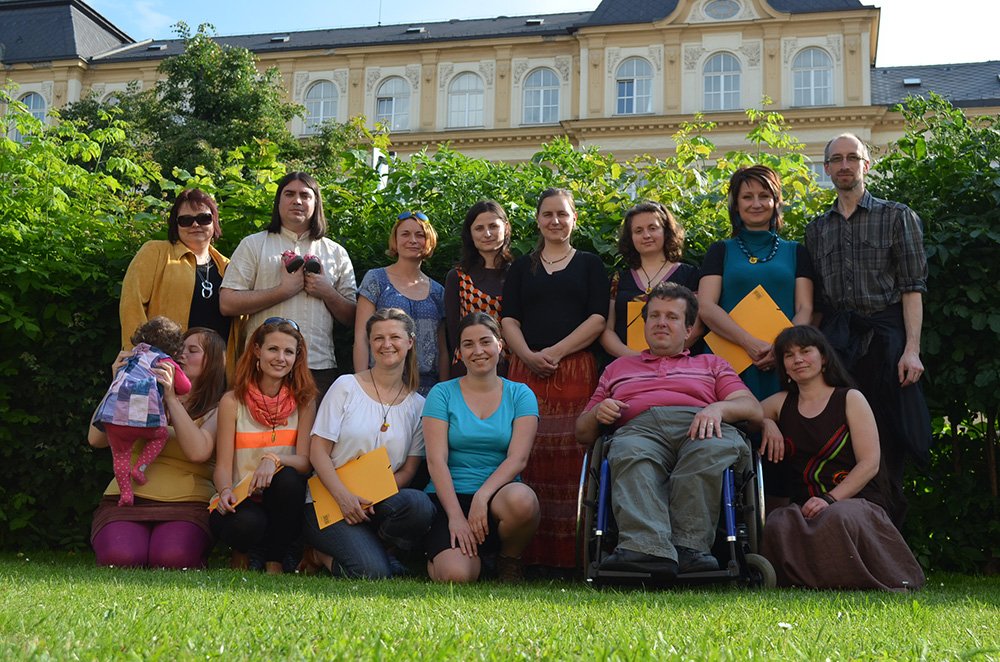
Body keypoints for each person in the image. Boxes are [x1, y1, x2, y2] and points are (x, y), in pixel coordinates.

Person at [576, 282, 761, 578]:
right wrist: (598, 413)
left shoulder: (711, 364)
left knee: (709, 451)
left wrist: (718, 408)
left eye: (672, 317)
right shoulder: (617, 368)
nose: (661, 322)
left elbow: (752, 408)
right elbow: (583, 432)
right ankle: (646, 548)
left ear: (688, 330)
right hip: (640, 430)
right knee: (631, 452)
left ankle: (689, 549)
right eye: (655, 316)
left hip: (701, 425)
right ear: (645, 324)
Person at [805, 133, 931, 526]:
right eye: (837, 159)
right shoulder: (816, 229)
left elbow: (912, 287)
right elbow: (819, 304)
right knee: (842, 438)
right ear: (827, 168)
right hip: (839, 344)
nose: (845, 165)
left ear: (866, 164)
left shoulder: (897, 216)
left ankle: (889, 531)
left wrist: (912, 349)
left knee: (890, 439)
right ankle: (851, 527)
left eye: (852, 158)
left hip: (886, 339)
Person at [758, 325, 925, 590]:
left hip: (856, 501)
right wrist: (766, 422)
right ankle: (811, 583)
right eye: (789, 355)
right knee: (778, 522)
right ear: (784, 368)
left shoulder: (850, 398)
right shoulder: (780, 403)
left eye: (805, 351)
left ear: (824, 358)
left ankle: (854, 581)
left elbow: (869, 463)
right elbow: (746, 413)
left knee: (837, 516)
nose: (798, 359)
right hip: (805, 505)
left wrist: (829, 499)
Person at [501, 187, 609, 572]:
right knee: (527, 455)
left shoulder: (591, 265)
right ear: (537, 220)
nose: (555, 221)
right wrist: (528, 356)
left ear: (574, 219)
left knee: (572, 457)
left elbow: (598, 319)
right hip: (525, 372)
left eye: (562, 214)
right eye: (547, 214)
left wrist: (557, 352)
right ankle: (522, 557)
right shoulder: (521, 267)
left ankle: (571, 558)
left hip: (576, 370)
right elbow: (508, 319)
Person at [303, 309, 434, 578]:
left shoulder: (418, 406)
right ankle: (317, 554)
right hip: (329, 500)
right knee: (371, 573)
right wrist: (345, 497)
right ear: (370, 343)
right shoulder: (346, 387)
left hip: (378, 502)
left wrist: (372, 495)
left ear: (410, 342)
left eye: (394, 337)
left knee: (419, 505)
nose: (386, 344)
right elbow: (317, 452)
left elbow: (409, 470)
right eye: (378, 338)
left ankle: (379, 549)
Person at [89, 327, 227, 569]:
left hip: (187, 503)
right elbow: (95, 439)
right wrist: (118, 385)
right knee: (120, 557)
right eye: (180, 349)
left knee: (173, 558)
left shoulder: (219, 406)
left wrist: (172, 398)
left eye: (193, 350)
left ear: (214, 362)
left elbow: (198, 452)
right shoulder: (141, 390)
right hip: (126, 500)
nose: (182, 354)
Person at [423, 312, 540, 583]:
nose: (478, 351)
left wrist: (482, 496)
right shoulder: (442, 394)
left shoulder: (521, 394)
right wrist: (455, 516)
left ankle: (508, 560)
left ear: (500, 345)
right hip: (449, 498)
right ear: (459, 353)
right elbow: (436, 461)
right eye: (468, 344)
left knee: (523, 500)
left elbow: (518, 459)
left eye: (485, 342)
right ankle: (442, 555)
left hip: (499, 499)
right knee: (456, 576)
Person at [220, 172, 357, 398]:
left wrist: (327, 292)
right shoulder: (253, 244)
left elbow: (353, 317)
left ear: (316, 203)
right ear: (278, 201)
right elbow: (227, 303)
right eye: (289, 194)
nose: (297, 201)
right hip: (261, 365)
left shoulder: (336, 253)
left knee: (313, 424)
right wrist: (282, 291)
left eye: (305, 195)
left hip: (317, 366)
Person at [210, 318, 317, 574]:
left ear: (297, 357)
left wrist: (273, 459)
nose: (280, 358)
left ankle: (275, 560)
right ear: (257, 351)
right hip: (242, 497)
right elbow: (222, 466)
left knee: (290, 479)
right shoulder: (232, 401)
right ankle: (242, 551)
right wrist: (225, 491)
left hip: (281, 498)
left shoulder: (305, 401)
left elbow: (305, 462)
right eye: (273, 349)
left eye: (288, 351)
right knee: (247, 523)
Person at [698, 165, 814, 400]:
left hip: (783, 359)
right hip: (728, 360)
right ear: (736, 204)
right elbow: (706, 306)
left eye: (764, 196)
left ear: (776, 201)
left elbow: (805, 308)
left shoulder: (796, 251)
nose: (756, 204)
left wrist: (781, 348)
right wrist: (748, 342)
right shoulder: (720, 251)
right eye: (747, 197)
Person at [119, 188, 237, 373]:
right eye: (186, 220)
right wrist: (140, 359)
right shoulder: (155, 252)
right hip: (163, 366)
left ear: (214, 221)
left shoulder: (228, 267)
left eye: (204, 218)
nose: (195, 224)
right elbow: (131, 304)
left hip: (216, 373)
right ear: (176, 225)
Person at [93, 316, 191, 506]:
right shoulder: (164, 360)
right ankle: (140, 468)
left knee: (120, 455)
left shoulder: (131, 355)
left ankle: (126, 494)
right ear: (174, 347)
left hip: (113, 417)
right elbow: (185, 387)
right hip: (143, 418)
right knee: (160, 435)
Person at [354, 211, 446, 396]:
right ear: (395, 240)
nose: (412, 240)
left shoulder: (438, 291)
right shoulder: (376, 280)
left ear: (429, 241)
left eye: (420, 235)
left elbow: (443, 349)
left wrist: (444, 393)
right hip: (382, 384)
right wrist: (362, 387)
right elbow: (361, 337)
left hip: (428, 389)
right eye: (405, 234)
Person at [601, 201, 701, 358]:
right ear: (630, 237)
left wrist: (657, 357)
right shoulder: (618, 280)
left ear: (666, 231)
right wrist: (635, 358)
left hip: (676, 366)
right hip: (625, 365)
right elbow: (607, 330)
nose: (646, 235)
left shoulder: (691, 276)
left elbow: (697, 326)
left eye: (653, 228)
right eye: (638, 231)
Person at [444, 200, 513, 378]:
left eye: (493, 226)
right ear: (470, 233)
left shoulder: (518, 273)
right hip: (467, 368)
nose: (487, 234)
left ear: (506, 228)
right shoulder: (458, 277)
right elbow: (453, 333)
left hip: (512, 369)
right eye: (479, 228)